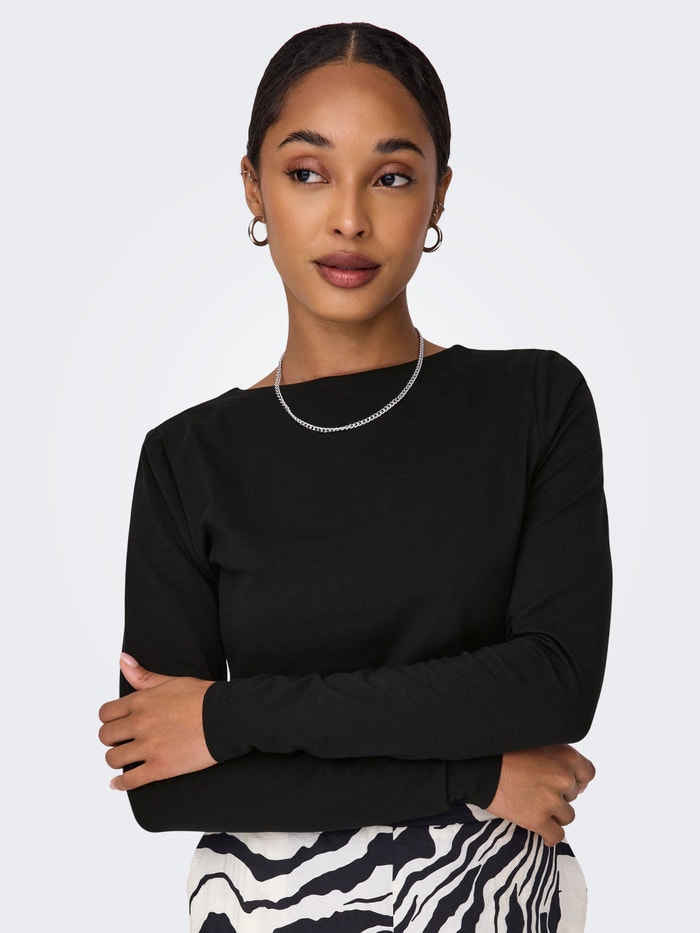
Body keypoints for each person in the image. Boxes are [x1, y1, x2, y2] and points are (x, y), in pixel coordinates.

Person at [98, 22, 611, 933]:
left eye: (392, 176)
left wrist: (225, 718)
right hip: (265, 908)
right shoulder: (187, 457)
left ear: (439, 192)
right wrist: (471, 771)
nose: (348, 219)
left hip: (483, 902)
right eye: (307, 172)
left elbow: (552, 683)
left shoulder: (534, 402)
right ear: (253, 187)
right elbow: (163, 781)